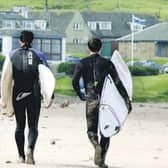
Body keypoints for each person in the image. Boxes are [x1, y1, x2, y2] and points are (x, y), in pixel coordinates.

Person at [72, 38, 132, 168]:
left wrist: (81, 94)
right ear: (100, 48)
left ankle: (96, 146)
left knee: (91, 131)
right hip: (106, 100)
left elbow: (74, 81)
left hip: (91, 99)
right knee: (106, 129)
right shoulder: (107, 63)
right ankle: (102, 160)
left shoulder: (82, 63)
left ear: (88, 48)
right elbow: (117, 82)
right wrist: (126, 99)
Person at [0, 30, 53, 164]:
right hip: (34, 93)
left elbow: (5, 77)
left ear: (20, 40)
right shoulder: (39, 55)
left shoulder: (12, 55)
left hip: (18, 93)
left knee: (19, 126)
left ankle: (21, 156)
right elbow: (47, 77)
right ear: (33, 41)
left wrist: (4, 98)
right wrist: (49, 97)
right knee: (33, 126)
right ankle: (30, 149)